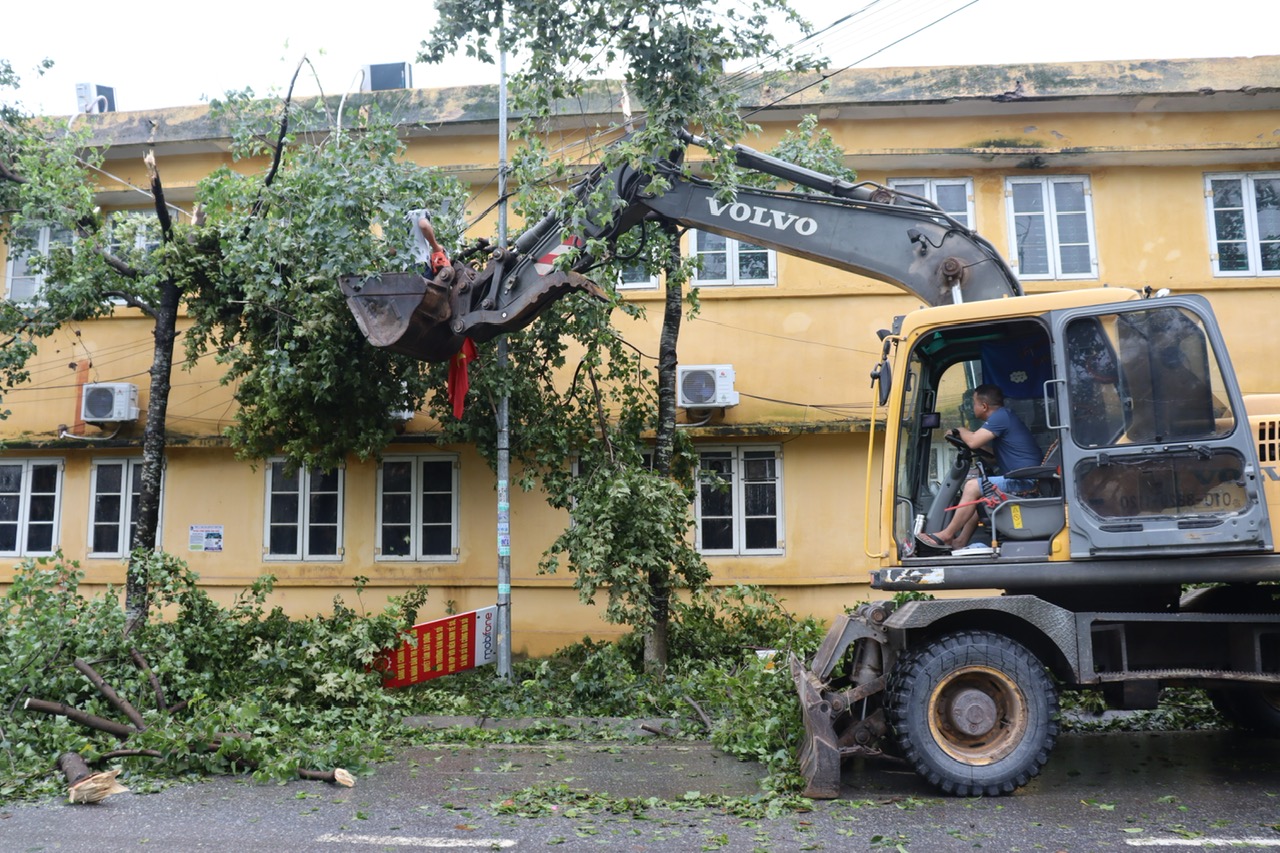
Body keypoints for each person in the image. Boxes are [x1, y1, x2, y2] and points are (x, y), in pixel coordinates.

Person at [917, 384, 1042, 553]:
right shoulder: (1003, 418)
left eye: (973, 403)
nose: (971, 407)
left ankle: (946, 535)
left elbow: (974, 440)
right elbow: (991, 456)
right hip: (1021, 477)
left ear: (984, 406)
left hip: (1025, 481)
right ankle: (960, 541)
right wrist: (965, 442)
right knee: (978, 493)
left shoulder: (1000, 416)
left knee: (972, 486)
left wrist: (961, 430)